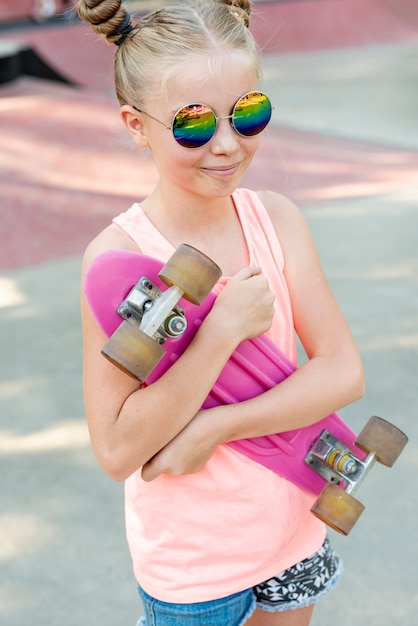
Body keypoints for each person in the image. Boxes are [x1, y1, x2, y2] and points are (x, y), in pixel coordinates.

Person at [77, 1, 365, 624]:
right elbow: (119, 445)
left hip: (293, 532)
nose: (228, 145)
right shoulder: (122, 262)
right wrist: (220, 333)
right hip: (195, 566)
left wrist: (215, 427)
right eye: (194, 124)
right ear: (136, 124)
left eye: (248, 113)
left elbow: (342, 372)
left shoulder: (276, 221)